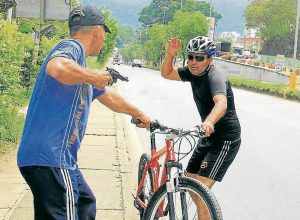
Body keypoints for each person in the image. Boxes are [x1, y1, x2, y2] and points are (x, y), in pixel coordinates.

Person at [17, 5, 151, 220]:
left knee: (84, 203)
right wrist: (91, 76)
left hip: (54, 159)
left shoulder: (79, 68)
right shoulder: (72, 48)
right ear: (98, 31)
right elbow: (56, 68)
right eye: (104, 35)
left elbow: (108, 97)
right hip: (51, 157)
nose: (103, 40)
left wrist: (140, 114)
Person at [161, 36, 241, 218]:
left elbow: (221, 103)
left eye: (199, 58)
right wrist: (170, 55)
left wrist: (209, 121)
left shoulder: (215, 76)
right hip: (206, 136)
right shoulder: (192, 72)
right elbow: (167, 73)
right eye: (190, 57)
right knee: (191, 183)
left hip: (224, 140)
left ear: (210, 59)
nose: (193, 62)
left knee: (201, 192)